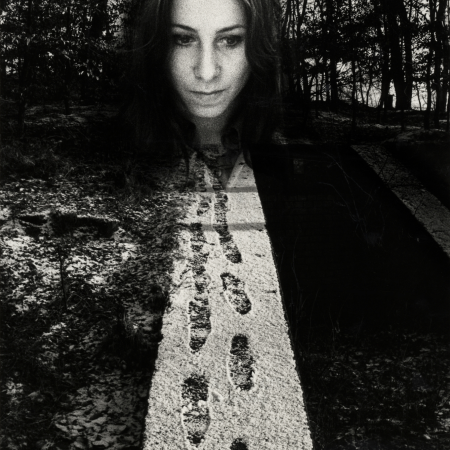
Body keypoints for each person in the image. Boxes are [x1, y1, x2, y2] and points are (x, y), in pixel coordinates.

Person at [125, 0, 287, 188]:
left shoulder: (287, 154)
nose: (206, 73)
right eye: (183, 39)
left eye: (230, 40)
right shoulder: (118, 152)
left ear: (260, 46)